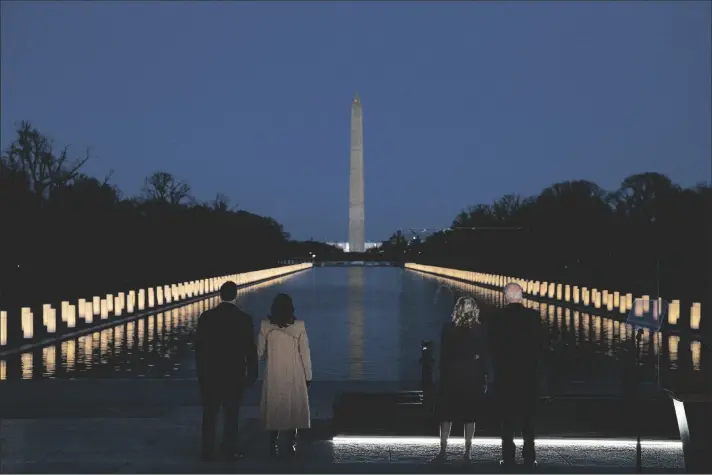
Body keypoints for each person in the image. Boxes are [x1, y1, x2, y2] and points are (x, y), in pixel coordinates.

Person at [194, 281, 257, 461]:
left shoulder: (206, 317)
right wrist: (252, 373)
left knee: (210, 412)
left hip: (210, 373)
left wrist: (200, 372)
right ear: (235, 295)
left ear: (220, 294)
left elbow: (199, 348)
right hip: (234, 373)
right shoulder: (244, 319)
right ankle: (229, 448)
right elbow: (249, 349)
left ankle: (207, 450)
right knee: (232, 413)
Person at [488, 283, 544, 470]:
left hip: (505, 375)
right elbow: (540, 345)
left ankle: (508, 457)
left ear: (505, 297)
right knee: (528, 420)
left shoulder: (497, 318)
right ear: (521, 296)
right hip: (527, 375)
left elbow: (493, 346)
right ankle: (529, 456)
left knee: (507, 419)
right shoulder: (533, 317)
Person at [431, 296, 489, 464]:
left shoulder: (448, 329)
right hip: (472, 376)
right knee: (470, 417)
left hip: (451, 376)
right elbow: (483, 356)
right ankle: (468, 452)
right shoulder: (480, 329)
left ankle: (442, 451)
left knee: (446, 416)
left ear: (457, 309)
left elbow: (444, 355)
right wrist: (483, 375)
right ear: (474, 310)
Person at [257, 293, 312, 457]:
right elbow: (305, 354)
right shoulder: (300, 326)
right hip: (295, 372)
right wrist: (308, 376)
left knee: (274, 408)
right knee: (293, 407)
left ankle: (273, 443)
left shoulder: (265, 326)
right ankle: (292, 443)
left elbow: (259, 352)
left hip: (274, 372)